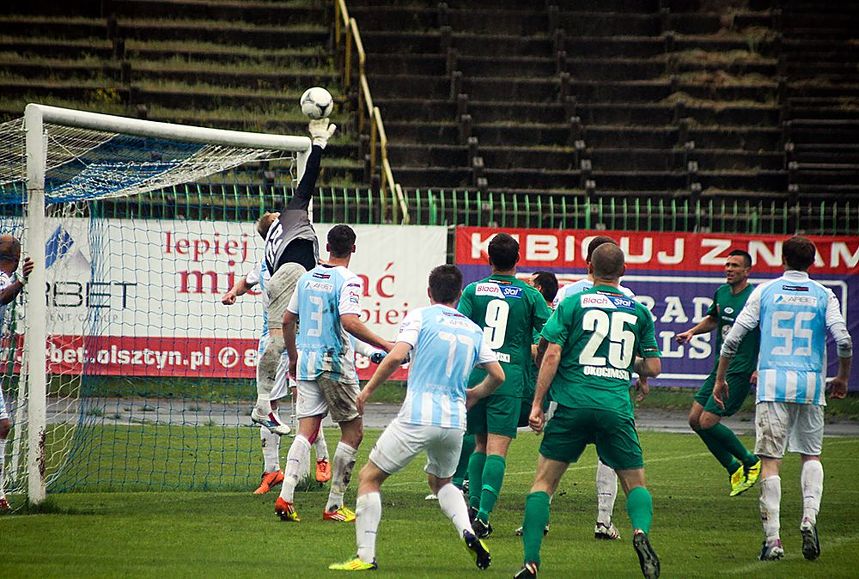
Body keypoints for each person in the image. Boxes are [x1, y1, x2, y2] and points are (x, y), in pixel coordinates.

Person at [329, 265, 505, 572]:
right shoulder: (472, 329)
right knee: (442, 482)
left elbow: (397, 356)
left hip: (418, 417)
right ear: (459, 294)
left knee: (370, 477)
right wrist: (475, 393)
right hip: (454, 421)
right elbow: (498, 375)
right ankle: (466, 529)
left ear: (429, 292)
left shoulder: (421, 316)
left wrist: (367, 391)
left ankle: (365, 556)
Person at [516, 243, 662, 579]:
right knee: (635, 484)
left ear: (589, 270)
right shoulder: (639, 311)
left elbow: (550, 355)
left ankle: (530, 563)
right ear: (623, 272)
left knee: (543, 484)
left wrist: (537, 404)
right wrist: (628, 363)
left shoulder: (572, 302)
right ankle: (640, 533)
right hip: (615, 406)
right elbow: (652, 367)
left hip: (573, 405)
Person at [714, 236, 852, 562]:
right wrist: (843, 376)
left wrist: (721, 378)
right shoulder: (824, 295)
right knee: (811, 456)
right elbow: (843, 340)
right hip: (810, 384)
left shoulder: (765, 291)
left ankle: (773, 539)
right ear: (812, 263)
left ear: (782, 260)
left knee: (771, 461)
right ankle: (808, 518)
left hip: (773, 383)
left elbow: (733, 338)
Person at [275, 224, 392, 523]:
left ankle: (286, 497)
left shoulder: (307, 278)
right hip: (335, 363)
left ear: (327, 246)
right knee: (353, 432)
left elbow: (288, 321)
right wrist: (386, 344)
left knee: (306, 431)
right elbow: (350, 322)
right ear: (353, 248)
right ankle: (334, 505)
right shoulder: (348, 280)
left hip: (306, 363)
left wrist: (293, 357)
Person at [457, 233, 552, 538]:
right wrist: (533, 346)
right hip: (508, 377)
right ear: (518, 259)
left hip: (476, 374)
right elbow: (550, 331)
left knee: (479, 442)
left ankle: (472, 507)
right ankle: (483, 516)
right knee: (498, 449)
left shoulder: (473, 290)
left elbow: (460, 329)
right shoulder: (530, 295)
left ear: (489, 260)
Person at [552, 236, 644, 541]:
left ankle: (540, 520)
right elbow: (638, 348)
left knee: (554, 457)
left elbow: (553, 344)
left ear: (588, 262)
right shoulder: (628, 296)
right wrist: (643, 378)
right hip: (612, 391)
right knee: (610, 458)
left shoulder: (568, 293)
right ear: (621, 267)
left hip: (571, 388)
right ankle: (604, 520)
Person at [252, 117, 337, 436]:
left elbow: (307, 264)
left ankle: (271, 403)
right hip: (291, 278)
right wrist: (318, 143)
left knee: (284, 342)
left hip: (290, 279)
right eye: (277, 212)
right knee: (285, 343)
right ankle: (269, 404)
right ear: (274, 221)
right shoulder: (289, 218)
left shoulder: (277, 245)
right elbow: (308, 180)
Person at [221, 257, 331, 493]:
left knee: (304, 401)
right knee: (268, 407)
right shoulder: (263, 265)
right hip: (271, 346)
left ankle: (322, 455)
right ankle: (271, 471)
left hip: (299, 343)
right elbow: (246, 282)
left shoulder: (307, 262)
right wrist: (233, 292)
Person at [675, 249, 761, 496]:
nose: (729, 269)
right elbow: (715, 320)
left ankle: (750, 460)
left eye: (735, 265)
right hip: (720, 367)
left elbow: (766, 332)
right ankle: (733, 467)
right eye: (727, 264)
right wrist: (692, 332)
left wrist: (757, 367)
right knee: (694, 419)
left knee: (708, 421)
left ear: (747, 271)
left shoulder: (754, 298)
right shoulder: (722, 293)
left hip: (740, 368)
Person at [0, 234, 32, 511]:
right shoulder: (2, 276)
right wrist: (21, 280)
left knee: (2, 426)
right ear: (15, 257)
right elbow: (1, 297)